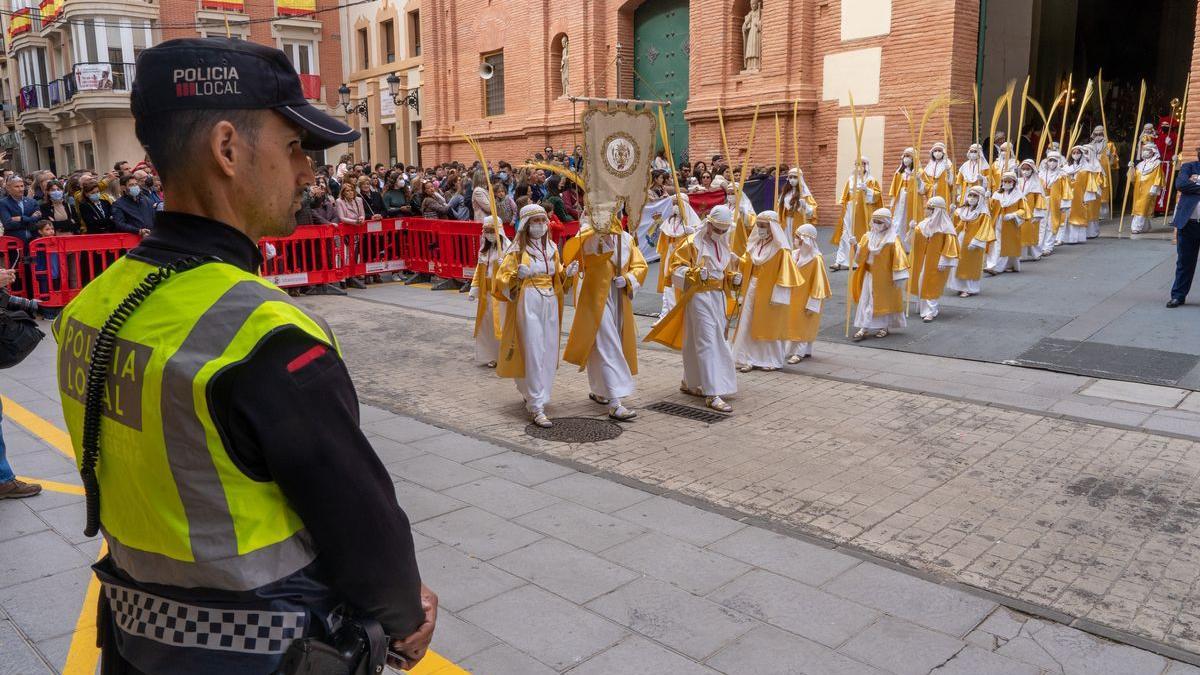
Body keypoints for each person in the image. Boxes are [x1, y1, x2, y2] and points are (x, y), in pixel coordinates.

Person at [52, 37, 435, 675]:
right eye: (293, 149)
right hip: (266, 650)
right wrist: (402, 617)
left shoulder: (90, 304)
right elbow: (362, 525)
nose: (308, 172)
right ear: (227, 150)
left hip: (135, 642)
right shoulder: (265, 334)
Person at [645, 205, 743, 413]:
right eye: (717, 229)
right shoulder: (691, 243)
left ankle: (691, 381)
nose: (721, 234)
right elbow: (675, 270)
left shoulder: (724, 244)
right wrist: (693, 274)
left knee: (701, 340)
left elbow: (721, 273)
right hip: (698, 296)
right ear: (708, 224)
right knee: (708, 341)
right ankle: (712, 392)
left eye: (725, 230)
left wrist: (732, 278)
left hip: (717, 298)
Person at [494, 204, 579, 427]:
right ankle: (535, 404)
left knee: (548, 349)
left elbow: (558, 277)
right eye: (535, 221)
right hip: (527, 301)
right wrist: (516, 277)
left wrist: (567, 275)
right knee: (532, 349)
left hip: (549, 301)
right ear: (526, 224)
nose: (540, 225)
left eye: (543, 220)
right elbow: (502, 280)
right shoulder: (516, 251)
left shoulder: (552, 247)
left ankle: (538, 392)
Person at [562, 219, 648, 421]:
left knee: (603, 345)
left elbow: (640, 266)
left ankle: (600, 389)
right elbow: (574, 259)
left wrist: (628, 279)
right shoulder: (587, 237)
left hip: (619, 299)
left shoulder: (626, 239)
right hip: (594, 300)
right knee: (607, 345)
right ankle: (615, 401)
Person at [731, 210, 804, 372]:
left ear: (772, 227)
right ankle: (746, 358)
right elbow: (747, 263)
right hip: (752, 287)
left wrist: (779, 295)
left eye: (763, 226)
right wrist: (737, 261)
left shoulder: (781, 250)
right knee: (748, 322)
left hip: (771, 292)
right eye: (758, 225)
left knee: (769, 325)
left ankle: (770, 360)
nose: (760, 229)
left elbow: (787, 275)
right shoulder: (755, 243)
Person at [850, 208, 909, 341]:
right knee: (867, 301)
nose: (876, 224)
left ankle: (883, 327)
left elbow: (899, 259)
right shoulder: (867, 236)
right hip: (869, 275)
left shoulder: (893, 240)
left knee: (881, 302)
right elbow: (860, 258)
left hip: (885, 277)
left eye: (879, 222)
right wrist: (854, 245)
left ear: (887, 223)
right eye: (874, 221)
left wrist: (899, 276)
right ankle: (864, 328)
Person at [907, 197, 959, 322]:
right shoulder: (923, 224)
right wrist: (912, 229)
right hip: (923, 259)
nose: (927, 211)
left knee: (932, 283)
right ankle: (923, 308)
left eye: (931, 209)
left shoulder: (946, 227)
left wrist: (944, 260)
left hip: (936, 260)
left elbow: (950, 246)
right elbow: (912, 242)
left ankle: (931, 311)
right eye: (927, 208)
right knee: (921, 282)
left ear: (937, 210)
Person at [467, 216, 509, 367]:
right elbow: (480, 270)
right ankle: (491, 355)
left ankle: (504, 356)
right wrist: (474, 288)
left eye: (492, 231)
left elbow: (514, 270)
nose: (489, 234)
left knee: (502, 323)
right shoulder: (484, 250)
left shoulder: (507, 248)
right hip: (486, 292)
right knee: (487, 325)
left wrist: (505, 264)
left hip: (501, 293)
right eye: (487, 231)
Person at [785, 223, 830, 362]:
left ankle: (799, 352)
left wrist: (813, 302)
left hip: (807, 297)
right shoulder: (794, 254)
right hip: (793, 296)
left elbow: (819, 283)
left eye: (798, 237)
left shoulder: (816, 259)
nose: (795, 239)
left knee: (805, 323)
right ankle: (799, 350)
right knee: (793, 323)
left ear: (805, 239)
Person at [831, 158, 879, 271]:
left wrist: (867, 190)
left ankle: (860, 260)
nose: (859, 167)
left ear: (866, 166)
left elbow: (877, 197)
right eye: (857, 164)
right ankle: (840, 261)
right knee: (846, 233)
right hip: (850, 209)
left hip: (863, 210)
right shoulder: (851, 179)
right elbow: (845, 195)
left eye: (861, 164)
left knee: (860, 234)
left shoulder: (871, 180)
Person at [947, 186, 994, 298]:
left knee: (970, 265)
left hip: (974, 242)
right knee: (959, 263)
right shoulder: (964, 211)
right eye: (970, 195)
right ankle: (959, 287)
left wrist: (976, 241)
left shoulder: (983, 213)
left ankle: (969, 288)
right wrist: (952, 213)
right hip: (962, 239)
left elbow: (985, 229)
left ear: (980, 198)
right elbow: (958, 225)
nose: (971, 198)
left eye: (975, 196)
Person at [1168, 146, 1200, 307]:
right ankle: (1178, 295)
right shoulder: (1189, 167)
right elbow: (1181, 184)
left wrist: (1195, 182)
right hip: (1189, 223)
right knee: (1184, 262)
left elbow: (1189, 186)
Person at [986, 172, 1029, 275]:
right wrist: (986, 198)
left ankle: (999, 267)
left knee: (1007, 245)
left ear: (1014, 183)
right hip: (998, 222)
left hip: (1011, 224)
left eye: (1009, 181)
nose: (1006, 183)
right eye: (1005, 181)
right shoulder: (997, 194)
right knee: (996, 244)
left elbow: (1024, 210)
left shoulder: (1019, 196)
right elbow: (990, 208)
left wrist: (1014, 214)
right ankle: (992, 265)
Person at [1061, 145, 1099, 244]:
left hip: (1079, 195)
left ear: (1081, 154)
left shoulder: (1087, 168)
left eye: (1078, 153)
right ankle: (1065, 238)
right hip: (1067, 195)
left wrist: (1086, 197)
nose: (1076, 155)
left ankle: (1076, 238)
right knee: (1067, 216)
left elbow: (1089, 184)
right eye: (1074, 153)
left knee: (1077, 216)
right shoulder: (1066, 167)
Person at [889, 147, 923, 247]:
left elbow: (924, 189)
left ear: (913, 159)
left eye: (908, 156)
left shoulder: (919, 172)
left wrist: (918, 180)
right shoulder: (899, 173)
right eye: (904, 156)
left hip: (912, 201)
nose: (905, 158)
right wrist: (892, 201)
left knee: (910, 221)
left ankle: (909, 246)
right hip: (900, 201)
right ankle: (897, 244)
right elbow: (894, 189)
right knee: (899, 220)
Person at [1129, 143, 1165, 235]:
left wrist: (1154, 188)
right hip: (1138, 189)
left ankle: (1136, 227)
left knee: (1142, 206)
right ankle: (1145, 227)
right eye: (1143, 150)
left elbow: (1159, 177)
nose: (1144, 152)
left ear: (1153, 152)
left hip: (1149, 188)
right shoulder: (1140, 164)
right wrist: (1131, 168)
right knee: (1139, 207)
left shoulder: (1157, 163)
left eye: (1147, 150)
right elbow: (1133, 178)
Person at [1039, 151, 1069, 253]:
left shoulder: (1062, 176)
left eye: (1054, 161)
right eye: (1050, 160)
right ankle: (1039, 246)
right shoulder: (1041, 175)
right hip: (1042, 202)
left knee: (1051, 224)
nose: (1052, 163)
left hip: (1055, 203)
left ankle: (1048, 247)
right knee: (1042, 224)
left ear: (1058, 162)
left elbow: (1066, 191)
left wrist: (1064, 204)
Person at [1016, 159, 1045, 260]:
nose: (1025, 171)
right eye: (1023, 169)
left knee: (1030, 232)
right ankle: (1021, 255)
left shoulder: (1036, 184)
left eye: (1027, 169)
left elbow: (1040, 200)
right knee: (1020, 232)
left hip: (1032, 212)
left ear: (1032, 170)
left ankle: (1035, 254)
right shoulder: (1017, 182)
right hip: (1019, 211)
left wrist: (1038, 214)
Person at [0, 175, 43, 242]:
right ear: (8, 188)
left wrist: (21, 218)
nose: (21, 189)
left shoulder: (32, 202)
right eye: (17, 187)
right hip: (14, 242)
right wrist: (31, 219)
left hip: (34, 240)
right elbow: (8, 224)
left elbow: (38, 222)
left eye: (22, 186)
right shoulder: (3, 203)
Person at [778, 167, 817, 237]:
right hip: (786, 221)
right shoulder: (785, 193)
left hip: (798, 221)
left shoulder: (805, 194)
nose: (792, 180)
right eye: (790, 177)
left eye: (795, 177)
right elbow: (779, 208)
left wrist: (805, 206)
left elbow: (812, 211)